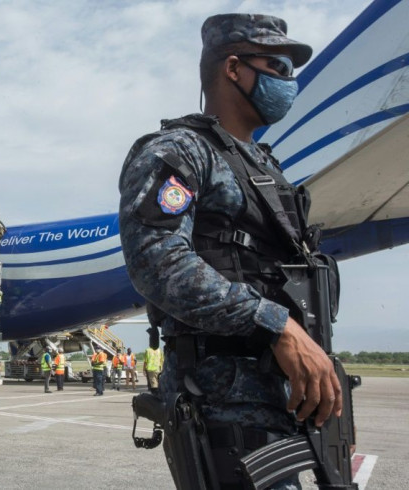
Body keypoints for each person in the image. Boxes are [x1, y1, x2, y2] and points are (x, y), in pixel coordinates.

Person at [118, 13, 342, 489]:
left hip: (283, 399)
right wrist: (277, 326)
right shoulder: (179, 151)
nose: (288, 81)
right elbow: (156, 262)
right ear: (234, 69)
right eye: (277, 67)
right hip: (224, 403)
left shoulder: (264, 166)